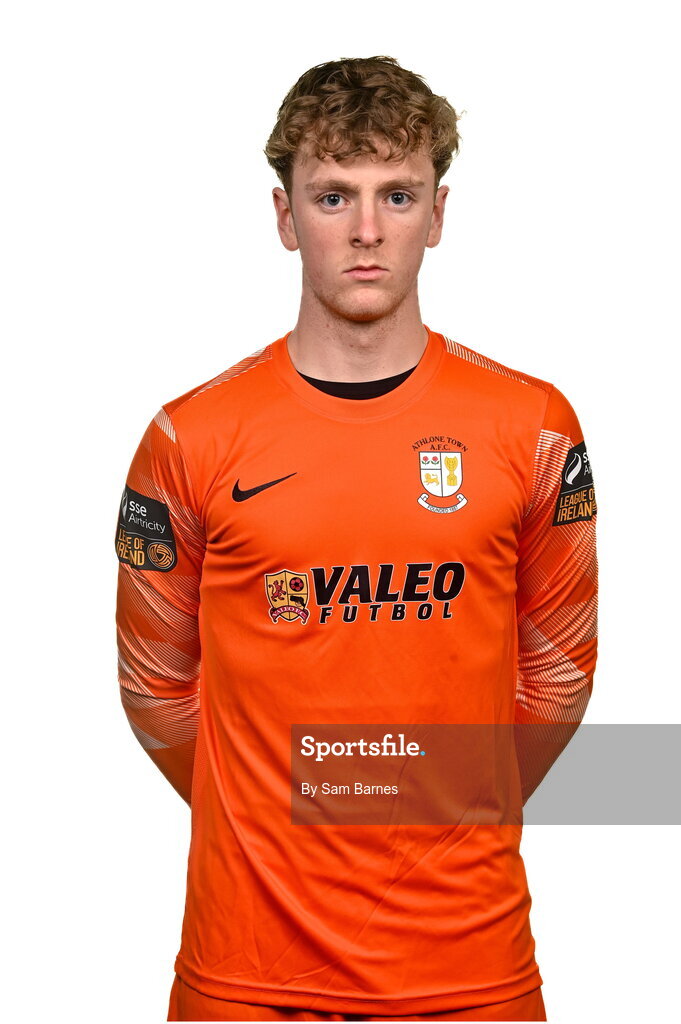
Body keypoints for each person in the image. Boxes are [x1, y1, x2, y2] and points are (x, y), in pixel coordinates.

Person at [114, 56, 597, 1022]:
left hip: (470, 973)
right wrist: (275, 820)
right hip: (245, 975)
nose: (367, 230)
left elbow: (557, 672)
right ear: (286, 218)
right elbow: (157, 688)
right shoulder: (187, 437)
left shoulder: (535, 427)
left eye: (397, 195)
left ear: (439, 214)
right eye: (333, 195)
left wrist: (430, 813)